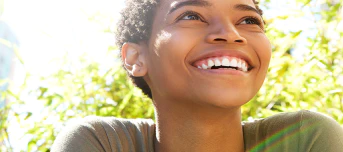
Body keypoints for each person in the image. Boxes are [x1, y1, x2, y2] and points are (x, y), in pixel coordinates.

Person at [51, 0, 343, 151]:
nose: (231, 33)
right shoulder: (102, 144)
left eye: (249, 20)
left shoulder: (305, 139)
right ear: (136, 58)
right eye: (191, 15)